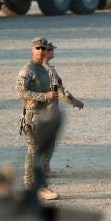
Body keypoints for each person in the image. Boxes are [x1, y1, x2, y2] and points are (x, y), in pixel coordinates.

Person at [15, 37, 60, 200]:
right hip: (32, 117)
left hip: (44, 117)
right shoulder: (27, 70)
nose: (40, 51)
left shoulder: (45, 70)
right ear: (32, 50)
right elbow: (21, 92)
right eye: (37, 48)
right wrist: (44, 96)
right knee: (34, 152)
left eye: (43, 48)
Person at [39, 43, 84, 176]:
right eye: (51, 50)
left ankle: (42, 168)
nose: (53, 52)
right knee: (49, 140)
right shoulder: (49, 70)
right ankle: (44, 168)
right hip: (48, 110)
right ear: (45, 52)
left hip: (38, 110)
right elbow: (60, 91)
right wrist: (75, 102)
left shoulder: (36, 68)